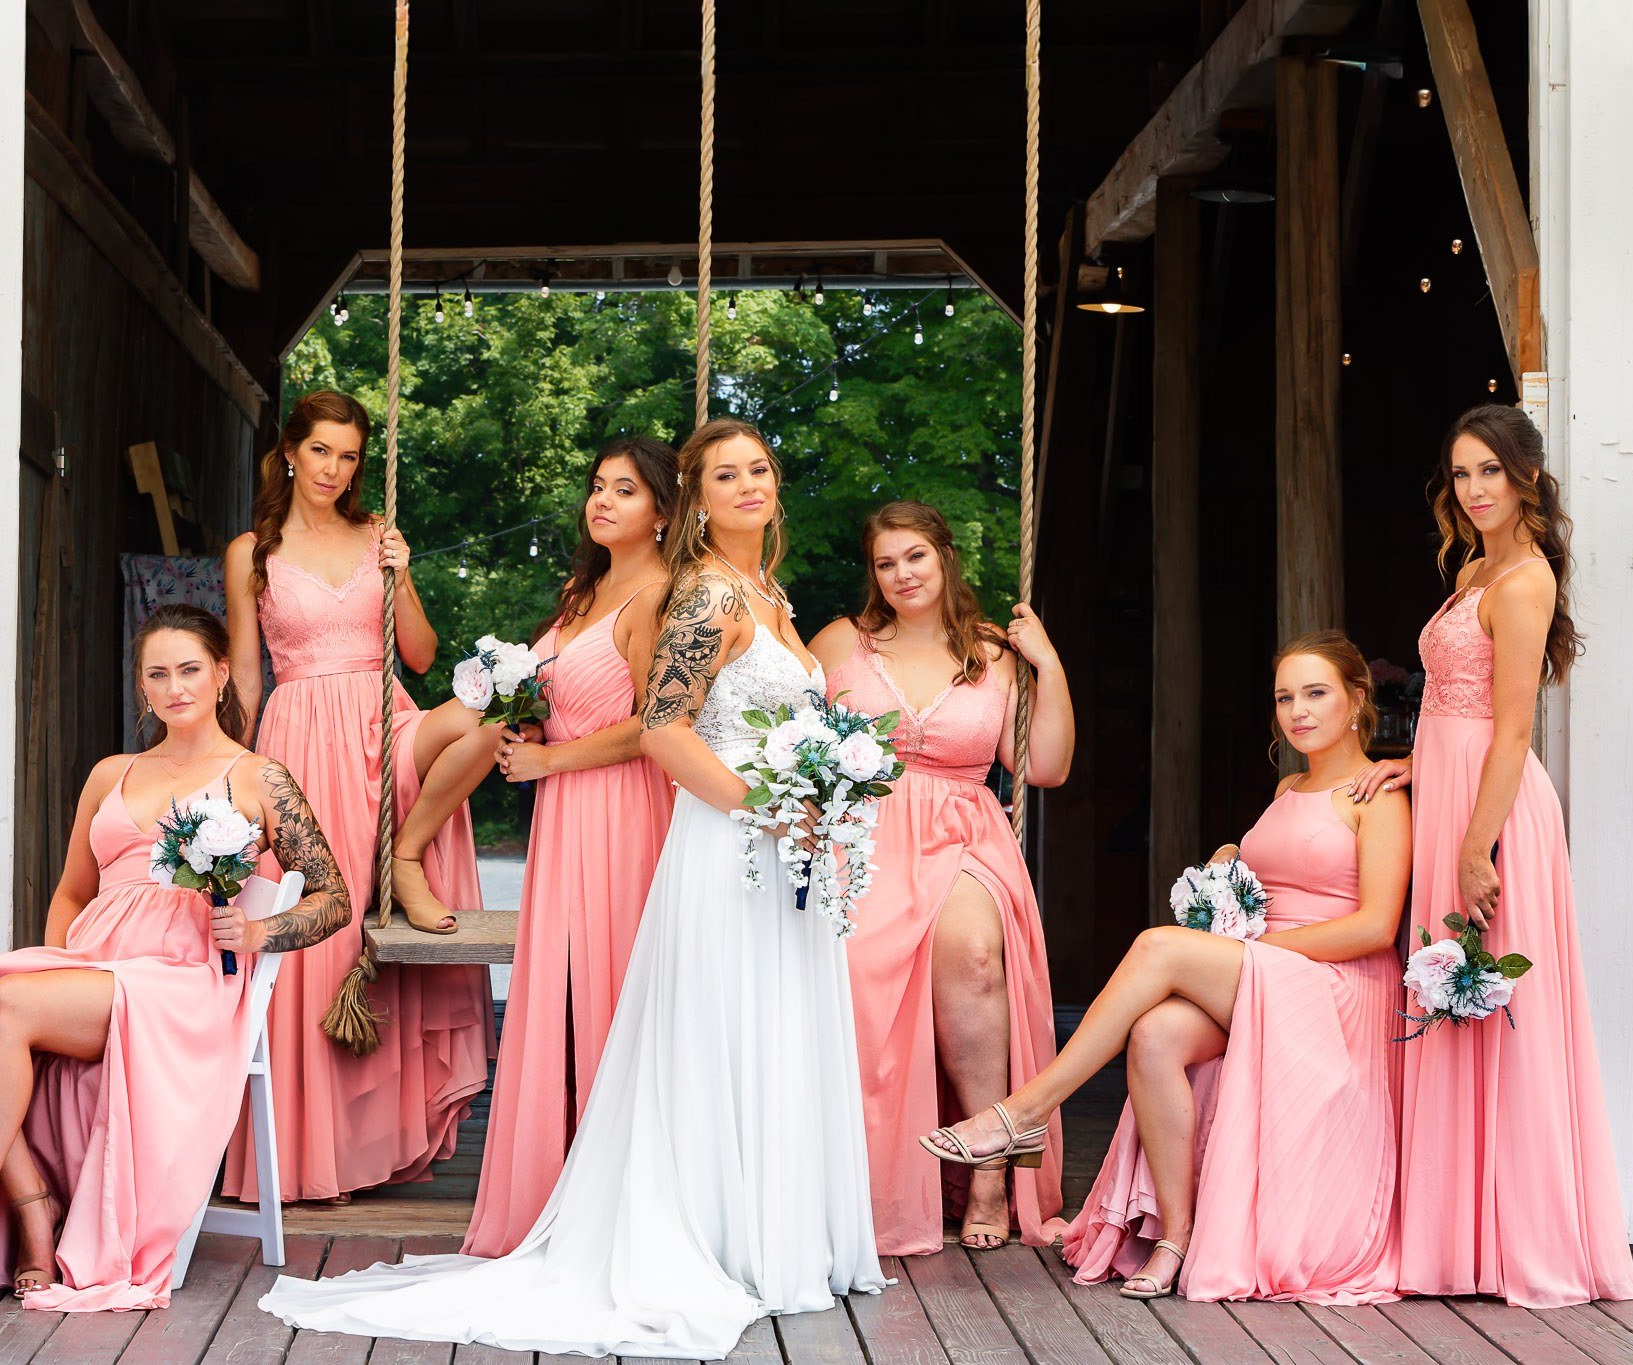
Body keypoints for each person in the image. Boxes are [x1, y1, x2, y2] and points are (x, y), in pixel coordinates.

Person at [258, 418, 885, 1358]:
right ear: (696, 498)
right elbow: (667, 724)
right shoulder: (684, 593)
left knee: (745, 1028)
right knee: (669, 1021)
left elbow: (700, 721)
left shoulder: (762, 594)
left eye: (759, 468)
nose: (748, 485)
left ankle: (760, 1227)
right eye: (725, 474)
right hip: (705, 827)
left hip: (737, 837)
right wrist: (761, 802)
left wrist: (817, 787)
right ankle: (655, 1211)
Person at [0, 605, 351, 1311]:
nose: (175, 687)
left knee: (7, 1005)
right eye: (157, 674)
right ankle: (32, 1205)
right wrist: (60, 970)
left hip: (179, 979)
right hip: (93, 963)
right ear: (142, 685)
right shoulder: (110, 773)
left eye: (190, 669)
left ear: (222, 673)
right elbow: (72, 891)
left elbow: (334, 899)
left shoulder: (259, 777)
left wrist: (256, 933)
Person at [928, 633, 1411, 1302]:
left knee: (1159, 946)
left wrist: (1260, 951)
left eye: (1316, 693)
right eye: (1284, 697)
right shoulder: (1289, 785)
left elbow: (1376, 926)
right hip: (1267, 973)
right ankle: (1175, 1236)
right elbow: (1285, 869)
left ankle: (1025, 1109)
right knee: (1154, 1034)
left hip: (1335, 984)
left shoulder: (1379, 798)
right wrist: (1229, 859)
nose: (1297, 710)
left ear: (1357, 700)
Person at [1350, 404, 1633, 1307]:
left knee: (1496, 1007)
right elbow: (1458, 704)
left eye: (1492, 471)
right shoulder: (1474, 564)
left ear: (1526, 478)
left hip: (1495, 811)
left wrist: (1477, 845)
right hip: (1451, 790)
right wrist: (1416, 762)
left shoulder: (1523, 579)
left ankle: (1519, 1239)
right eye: (1463, 473)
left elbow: (1513, 729)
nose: (1476, 489)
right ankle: (1455, 1237)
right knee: (1454, 1002)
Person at [221, 390, 494, 1204]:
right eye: (320, 451)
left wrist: (402, 576)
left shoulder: (378, 536)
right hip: (300, 740)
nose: (333, 469)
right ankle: (313, 1157)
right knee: (321, 942)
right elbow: (245, 674)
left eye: (348, 456)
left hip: (384, 726)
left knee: (482, 716)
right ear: (289, 453)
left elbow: (421, 655)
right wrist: (235, 778)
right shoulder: (252, 552)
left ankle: (406, 853)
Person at [810, 500, 1073, 1254]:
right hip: (865, 835)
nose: (903, 574)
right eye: (886, 563)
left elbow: (1047, 765)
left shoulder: (993, 651)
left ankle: (989, 1167)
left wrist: (1048, 662)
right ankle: (868, 1182)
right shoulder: (841, 643)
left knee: (975, 956)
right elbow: (788, 733)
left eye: (915, 556)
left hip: (963, 829)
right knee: (858, 970)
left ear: (945, 556)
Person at [463, 436, 680, 1257]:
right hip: (563, 814)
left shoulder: (657, 598)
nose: (603, 501)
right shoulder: (581, 592)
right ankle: (554, 1188)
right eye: (597, 486)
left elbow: (655, 724)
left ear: (661, 512)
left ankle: (620, 1203)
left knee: (612, 989)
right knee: (559, 990)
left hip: (625, 808)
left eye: (625, 489)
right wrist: (527, 728)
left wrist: (551, 759)